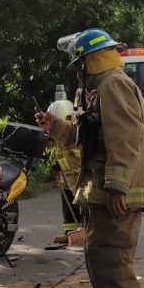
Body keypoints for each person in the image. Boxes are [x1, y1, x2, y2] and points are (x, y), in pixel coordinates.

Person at [35, 27, 144, 288]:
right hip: (100, 192)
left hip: (115, 194)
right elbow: (86, 137)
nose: (77, 70)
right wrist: (56, 127)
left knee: (113, 270)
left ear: (87, 60)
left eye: (79, 63)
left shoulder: (112, 85)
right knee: (102, 268)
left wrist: (118, 183)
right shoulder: (96, 90)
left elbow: (126, 138)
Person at [46, 96, 84, 244]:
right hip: (66, 177)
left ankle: (86, 230)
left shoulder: (73, 133)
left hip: (77, 177)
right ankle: (70, 231)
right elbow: (57, 151)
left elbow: (75, 157)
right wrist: (56, 165)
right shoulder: (61, 132)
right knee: (67, 202)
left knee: (82, 203)